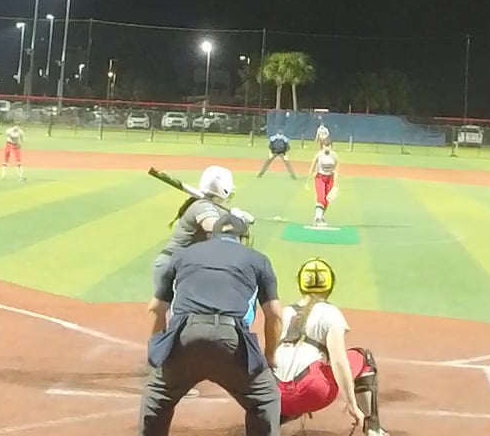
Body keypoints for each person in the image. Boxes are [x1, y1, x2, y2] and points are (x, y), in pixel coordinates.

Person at [140, 213, 283, 436]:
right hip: (231, 339)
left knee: (157, 397)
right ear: (242, 238)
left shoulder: (182, 255)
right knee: (265, 399)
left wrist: (159, 354)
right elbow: (274, 314)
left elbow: (157, 308)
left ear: (211, 235)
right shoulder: (258, 259)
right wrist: (270, 356)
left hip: (185, 336)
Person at [274, 257, 387, 435]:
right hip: (313, 391)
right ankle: (372, 427)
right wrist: (352, 405)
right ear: (330, 285)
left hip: (275, 395)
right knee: (364, 358)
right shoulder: (331, 313)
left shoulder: (284, 312)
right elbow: (339, 362)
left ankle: (273, 419)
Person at [151, 166, 236, 298]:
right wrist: (236, 222)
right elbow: (214, 228)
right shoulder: (202, 206)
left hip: (186, 265)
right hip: (173, 264)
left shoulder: (212, 207)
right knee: (168, 308)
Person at [307, 134, 339, 227]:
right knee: (321, 197)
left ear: (331, 146)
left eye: (328, 146)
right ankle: (317, 218)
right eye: (325, 146)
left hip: (330, 178)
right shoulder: (319, 155)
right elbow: (312, 166)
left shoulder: (335, 156)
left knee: (327, 200)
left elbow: (336, 170)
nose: (327, 148)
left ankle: (321, 216)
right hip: (320, 177)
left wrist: (335, 184)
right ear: (322, 146)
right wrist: (308, 179)